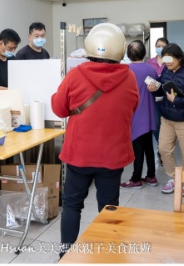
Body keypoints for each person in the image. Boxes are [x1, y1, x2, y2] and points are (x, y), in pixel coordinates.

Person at [51, 23, 138, 255]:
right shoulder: (129, 78)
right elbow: (132, 108)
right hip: (113, 155)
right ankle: (107, 255)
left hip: (79, 154)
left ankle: (66, 254)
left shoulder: (75, 75)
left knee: (72, 205)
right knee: (109, 207)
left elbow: (59, 109)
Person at [146, 43, 184, 196]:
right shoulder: (166, 70)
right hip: (167, 118)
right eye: (165, 59)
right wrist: (155, 88)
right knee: (164, 149)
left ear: (179, 57)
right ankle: (174, 178)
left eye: (170, 59)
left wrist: (176, 100)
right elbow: (162, 89)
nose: (168, 62)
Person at [121, 41, 159, 188]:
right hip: (149, 113)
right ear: (144, 53)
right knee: (149, 146)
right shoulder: (150, 69)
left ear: (128, 55)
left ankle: (135, 179)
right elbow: (156, 88)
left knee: (137, 148)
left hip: (134, 114)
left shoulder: (126, 70)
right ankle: (151, 176)